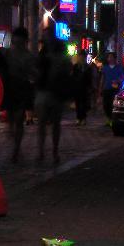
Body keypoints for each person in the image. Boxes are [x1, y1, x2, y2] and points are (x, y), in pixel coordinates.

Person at [35, 30, 72, 164]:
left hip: (52, 92)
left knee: (49, 124)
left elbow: (67, 72)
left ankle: (48, 152)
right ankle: (46, 152)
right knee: (46, 124)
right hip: (47, 92)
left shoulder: (51, 55)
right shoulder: (46, 55)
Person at [3, 27, 37, 162]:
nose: (17, 40)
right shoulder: (7, 53)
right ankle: (15, 145)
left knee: (18, 119)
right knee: (11, 120)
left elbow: (33, 73)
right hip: (10, 87)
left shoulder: (28, 56)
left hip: (22, 88)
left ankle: (16, 149)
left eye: (19, 38)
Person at [99, 52, 124, 126]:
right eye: (108, 57)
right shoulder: (105, 68)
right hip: (106, 88)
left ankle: (112, 120)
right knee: (105, 105)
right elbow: (102, 78)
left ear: (114, 58)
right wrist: (100, 88)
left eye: (111, 57)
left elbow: (122, 78)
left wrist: (118, 81)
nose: (109, 58)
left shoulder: (118, 67)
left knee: (113, 105)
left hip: (115, 90)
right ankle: (108, 119)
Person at [72, 50, 92, 126]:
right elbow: (73, 77)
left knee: (84, 103)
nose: (81, 58)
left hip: (85, 87)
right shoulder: (75, 66)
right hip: (77, 87)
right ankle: (78, 118)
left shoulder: (87, 67)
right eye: (80, 56)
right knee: (77, 103)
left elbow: (89, 78)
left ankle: (83, 118)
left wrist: (90, 87)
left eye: (83, 56)